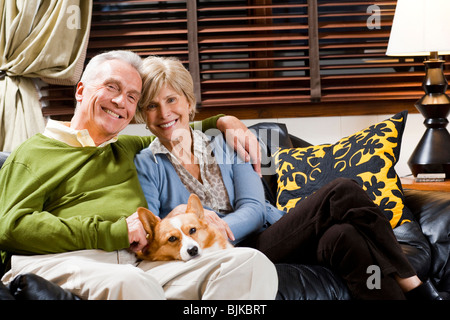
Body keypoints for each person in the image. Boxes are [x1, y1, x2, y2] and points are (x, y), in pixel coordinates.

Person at [134, 55, 445, 300]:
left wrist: (221, 224)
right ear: (142, 115)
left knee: (344, 230)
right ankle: (417, 288)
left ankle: (412, 288)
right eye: (151, 106)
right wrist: (198, 228)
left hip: (267, 234)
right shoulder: (147, 164)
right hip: (228, 254)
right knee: (342, 204)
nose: (164, 113)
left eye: (171, 100)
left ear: (189, 102)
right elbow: (155, 232)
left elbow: (255, 210)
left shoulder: (227, 141)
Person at [0, 50, 278, 300]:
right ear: (81, 90)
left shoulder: (127, 148)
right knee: (131, 282)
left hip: (136, 264)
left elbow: (174, 128)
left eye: (132, 96)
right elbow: (10, 227)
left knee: (250, 264)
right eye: (112, 87)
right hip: (63, 261)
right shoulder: (34, 152)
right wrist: (114, 232)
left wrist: (224, 121)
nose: (121, 101)